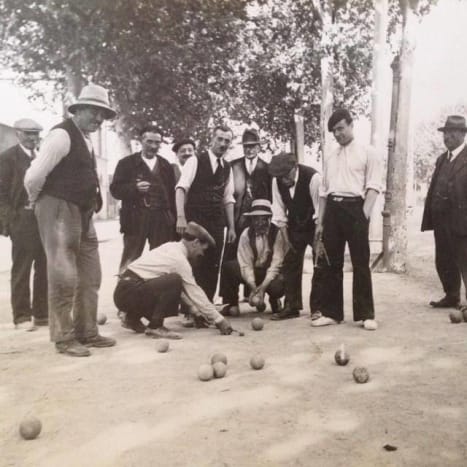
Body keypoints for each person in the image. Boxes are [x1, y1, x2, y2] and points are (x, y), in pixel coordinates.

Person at [24, 83, 117, 356]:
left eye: (103, 114)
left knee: (91, 274)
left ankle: (87, 331)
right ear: (78, 110)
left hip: (83, 212)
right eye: (93, 111)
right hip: (58, 208)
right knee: (63, 276)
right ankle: (64, 338)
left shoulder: (85, 139)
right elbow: (33, 176)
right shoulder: (61, 136)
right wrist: (37, 202)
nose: (98, 119)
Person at [312, 108, 381, 330]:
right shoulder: (331, 156)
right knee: (333, 263)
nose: (338, 134)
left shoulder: (368, 152)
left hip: (356, 209)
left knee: (360, 262)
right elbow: (324, 192)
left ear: (351, 125)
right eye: (334, 131)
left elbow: (373, 186)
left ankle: (365, 314)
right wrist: (320, 222)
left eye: (341, 128)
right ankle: (332, 313)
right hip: (332, 209)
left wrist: (364, 214)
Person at [114, 222, 234, 338]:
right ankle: (155, 327)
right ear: (195, 243)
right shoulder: (179, 260)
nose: (201, 254)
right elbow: (194, 291)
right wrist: (219, 320)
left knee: (172, 282)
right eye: (202, 250)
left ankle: (131, 318)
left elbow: (177, 291)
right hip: (129, 291)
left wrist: (196, 312)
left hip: (123, 292)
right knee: (174, 280)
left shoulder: (170, 247)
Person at [175, 125, 236, 301]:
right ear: (212, 139)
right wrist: (181, 217)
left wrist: (231, 227)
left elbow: (228, 198)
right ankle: (190, 310)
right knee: (194, 263)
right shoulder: (195, 160)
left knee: (213, 263)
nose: (223, 144)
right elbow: (180, 188)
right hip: (196, 220)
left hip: (217, 222)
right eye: (220, 139)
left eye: (227, 141)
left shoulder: (227, 167)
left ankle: (207, 307)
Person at [0, 118, 48, 329]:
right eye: (28, 133)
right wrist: (9, 222)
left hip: (45, 220)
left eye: (36, 134)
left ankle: (42, 314)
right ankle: (21, 317)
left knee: (45, 266)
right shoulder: (7, 158)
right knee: (22, 268)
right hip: (22, 219)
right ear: (17, 134)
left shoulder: (43, 158)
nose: (32, 138)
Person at [110, 126, 176, 273]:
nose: (153, 146)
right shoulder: (126, 163)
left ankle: (155, 293)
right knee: (130, 259)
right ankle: (125, 292)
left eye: (157, 143)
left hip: (160, 220)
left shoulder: (166, 166)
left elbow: (172, 196)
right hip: (135, 219)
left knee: (160, 260)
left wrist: (172, 220)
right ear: (141, 141)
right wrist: (135, 188)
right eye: (149, 142)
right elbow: (115, 190)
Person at [268, 151, 323, 320]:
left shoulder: (313, 178)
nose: (284, 180)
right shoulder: (276, 182)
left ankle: (318, 308)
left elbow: (320, 211)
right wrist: (286, 238)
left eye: (286, 175)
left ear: (295, 167)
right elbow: (279, 211)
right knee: (290, 263)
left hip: (314, 225)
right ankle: (291, 306)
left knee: (319, 264)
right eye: (280, 176)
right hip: (294, 226)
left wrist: (318, 239)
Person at [421, 115, 467, 309]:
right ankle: (452, 295)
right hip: (441, 219)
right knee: (444, 259)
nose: (447, 137)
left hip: (462, 219)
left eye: (451, 133)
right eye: (445, 133)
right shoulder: (441, 160)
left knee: (464, 259)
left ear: (462, 135)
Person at [221, 199, 286, 316]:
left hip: (269, 272)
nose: (259, 223)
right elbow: (245, 264)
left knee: (279, 283)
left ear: (269, 219)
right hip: (254, 271)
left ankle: (274, 300)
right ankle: (232, 304)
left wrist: (263, 287)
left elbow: (276, 264)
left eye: (263, 219)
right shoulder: (246, 234)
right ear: (251, 220)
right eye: (256, 219)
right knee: (229, 267)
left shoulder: (277, 233)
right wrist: (253, 287)